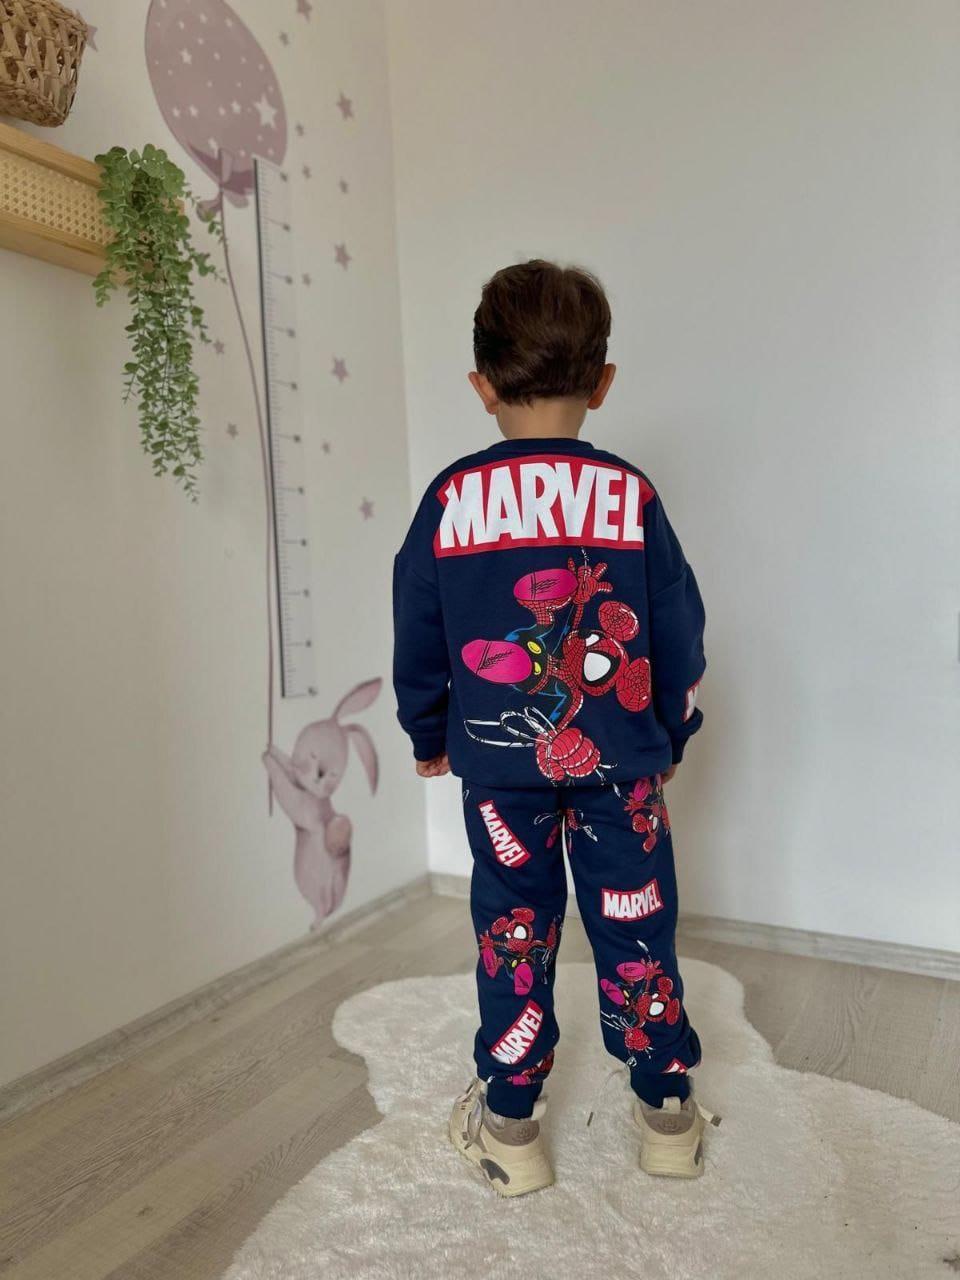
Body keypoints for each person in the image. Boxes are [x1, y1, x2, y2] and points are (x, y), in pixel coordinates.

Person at [392, 259, 712, 1196]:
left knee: (514, 932)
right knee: (638, 930)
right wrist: (670, 732)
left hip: (501, 776)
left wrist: (428, 733)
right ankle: (667, 1115)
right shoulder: (630, 496)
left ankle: (511, 1126)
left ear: (481, 385)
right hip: (623, 769)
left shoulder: (451, 500)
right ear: (602, 382)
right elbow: (678, 628)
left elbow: (419, 627)